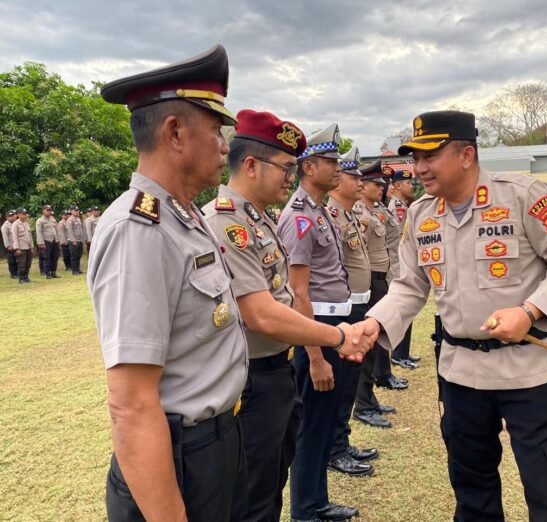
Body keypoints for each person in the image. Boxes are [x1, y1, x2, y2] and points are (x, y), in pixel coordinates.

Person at [363, 110, 547, 521]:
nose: (419, 168)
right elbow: (409, 286)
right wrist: (375, 324)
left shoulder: (524, 196)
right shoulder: (421, 214)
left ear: (467, 155)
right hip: (460, 375)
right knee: (472, 494)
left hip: (528, 372)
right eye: (415, 158)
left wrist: (529, 311)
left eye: (430, 156)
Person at [89, 44, 250, 522]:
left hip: (215, 443)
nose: (226, 145)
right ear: (175, 133)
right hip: (179, 459)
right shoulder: (138, 229)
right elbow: (132, 405)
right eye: (217, 130)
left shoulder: (183, 216)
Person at [203, 110, 371, 522]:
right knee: (252, 494)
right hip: (251, 377)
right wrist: (331, 342)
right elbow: (264, 312)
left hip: (274, 370)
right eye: (285, 167)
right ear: (250, 165)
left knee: (271, 482)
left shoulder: (259, 217)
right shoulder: (228, 221)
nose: (291, 177)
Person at [277, 124, 365, 522]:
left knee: (325, 421)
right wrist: (314, 356)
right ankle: (305, 510)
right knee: (312, 426)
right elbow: (298, 293)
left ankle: (317, 501)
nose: (336, 168)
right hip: (318, 335)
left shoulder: (318, 212)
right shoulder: (298, 218)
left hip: (335, 327)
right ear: (309, 167)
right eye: (329, 161)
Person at [327, 146, 384, 472]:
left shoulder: (348, 214)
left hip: (358, 305)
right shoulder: (332, 216)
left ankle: (342, 442)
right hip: (343, 309)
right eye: (353, 176)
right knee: (339, 385)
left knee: (348, 382)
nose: (360, 182)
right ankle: (335, 448)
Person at [354, 160, 408, 406]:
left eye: (382, 183)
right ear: (362, 186)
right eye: (375, 183)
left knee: (381, 333)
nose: (381, 187)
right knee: (369, 340)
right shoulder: (359, 214)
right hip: (370, 280)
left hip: (382, 275)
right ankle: (365, 401)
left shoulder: (377, 211)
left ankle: (381, 377)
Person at [384, 170, 419, 369]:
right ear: (397, 186)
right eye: (407, 182)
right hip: (397, 264)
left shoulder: (403, 206)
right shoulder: (396, 208)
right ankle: (398, 353)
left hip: (402, 263)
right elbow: (398, 240)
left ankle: (403, 352)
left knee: (407, 310)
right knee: (400, 311)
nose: (411, 185)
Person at [36, 204, 61, 279]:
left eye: (50, 210)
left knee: (55, 257)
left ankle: (53, 272)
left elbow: (56, 230)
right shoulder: (40, 221)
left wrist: (58, 240)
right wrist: (41, 243)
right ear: (43, 211)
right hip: (46, 241)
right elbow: (39, 232)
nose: (49, 212)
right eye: (48, 210)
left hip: (54, 240)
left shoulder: (53, 219)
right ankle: (47, 273)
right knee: (47, 257)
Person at [11, 208, 34, 284]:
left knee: (28, 263)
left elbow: (30, 236)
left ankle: (26, 277)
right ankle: (21, 278)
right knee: (21, 264)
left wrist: (32, 246)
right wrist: (17, 248)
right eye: (23, 214)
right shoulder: (15, 224)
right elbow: (14, 237)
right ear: (18, 215)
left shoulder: (26, 224)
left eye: (25, 214)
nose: (25, 215)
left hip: (28, 246)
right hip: (21, 247)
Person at [66, 206, 84, 274]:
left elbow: (80, 230)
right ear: (71, 211)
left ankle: (78, 268)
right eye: (75, 210)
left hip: (79, 240)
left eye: (77, 210)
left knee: (79, 255)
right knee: (74, 256)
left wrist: (82, 239)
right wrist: (73, 240)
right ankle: (74, 270)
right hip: (74, 241)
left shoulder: (78, 219)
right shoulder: (70, 220)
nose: (77, 212)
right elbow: (70, 231)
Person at [2, 209, 19, 278]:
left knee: (18, 260)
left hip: (16, 245)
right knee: (12, 261)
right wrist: (8, 246)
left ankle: (17, 272)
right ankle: (13, 274)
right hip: (10, 246)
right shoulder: (5, 226)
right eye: (10, 216)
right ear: (7, 217)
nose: (12, 217)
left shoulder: (16, 224)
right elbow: (5, 237)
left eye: (13, 215)